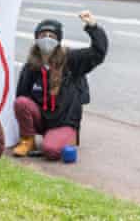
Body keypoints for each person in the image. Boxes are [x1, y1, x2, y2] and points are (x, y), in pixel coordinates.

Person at [13, 12, 108, 160]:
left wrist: (93, 27)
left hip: (64, 122)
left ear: (58, 40)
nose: (46, 39)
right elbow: (21, 97)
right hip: (42, 119)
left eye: (51, 36)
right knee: (21, 103)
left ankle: (62, 138)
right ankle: (28, 141)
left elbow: (98, 53)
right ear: (36, 38)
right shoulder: (31, 67)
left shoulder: (72, 60)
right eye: (42, 35)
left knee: (51, 150)